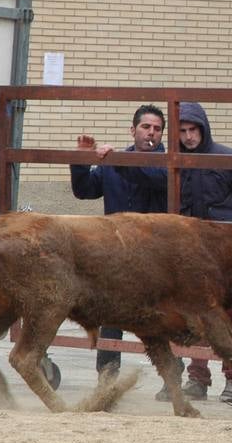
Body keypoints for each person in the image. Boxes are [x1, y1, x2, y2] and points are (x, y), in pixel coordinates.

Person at [69, 104, 168, 380]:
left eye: (157, 129)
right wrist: (81, 160)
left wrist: (117, 160)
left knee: (159, 319)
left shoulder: (167, 164)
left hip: (155, 257)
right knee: (110, 315)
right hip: (116, 253)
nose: (151, 133)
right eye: (146, 127)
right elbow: (84, 190)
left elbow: (150, 177)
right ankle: (107, 377)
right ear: (132, 130)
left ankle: (170, 377)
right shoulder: (115, 162)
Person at [173, 102, 232, 402]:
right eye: (183, 131)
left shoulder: (228, 159)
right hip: (192, 255)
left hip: (228, 256)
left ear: (203, 129)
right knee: (195, 318)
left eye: (193, 130)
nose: (189, 137)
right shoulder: (175, 162)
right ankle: (197, 378)